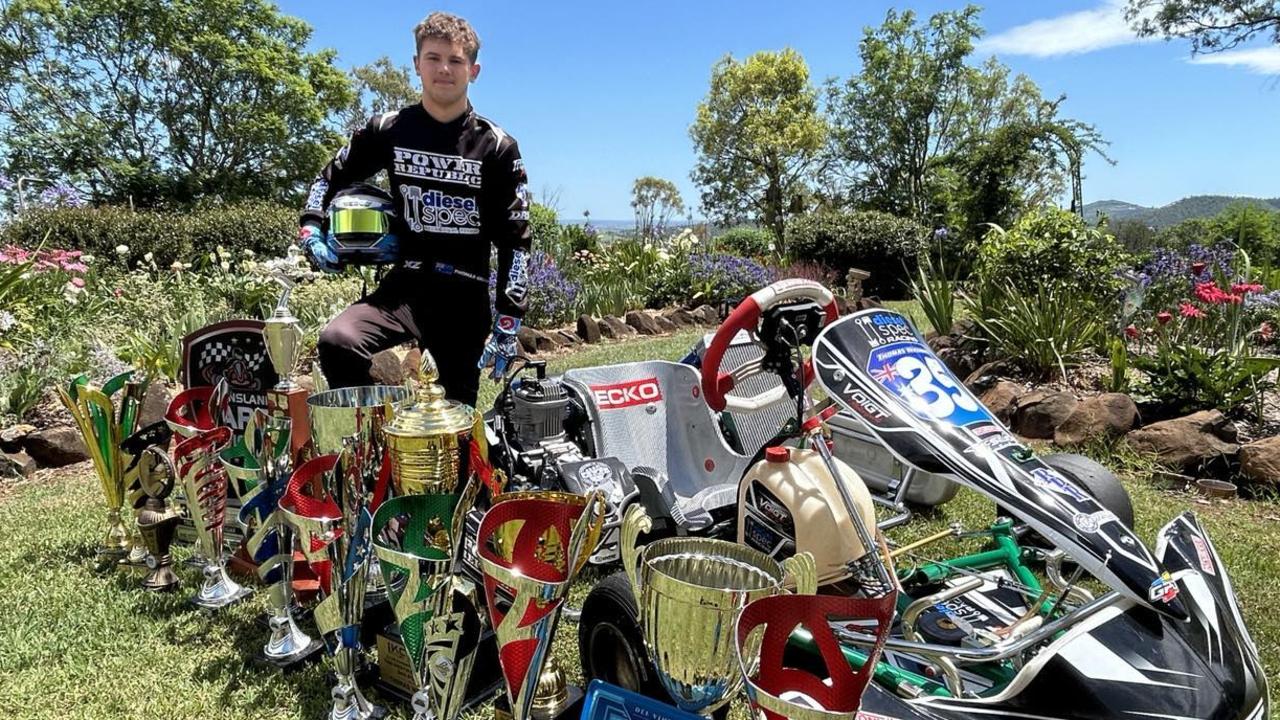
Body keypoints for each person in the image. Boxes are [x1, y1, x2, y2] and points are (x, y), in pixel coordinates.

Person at [298, 11, 531, 407]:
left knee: (453, 423)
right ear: (416, 65)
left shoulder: (497, 146)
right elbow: (328, 178)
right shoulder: (388, 129)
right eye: (433, 58)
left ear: (473, 70)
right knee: (338, 341)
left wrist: (508, 322)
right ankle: (373, 442)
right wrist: (311, 229)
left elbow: (517, 240)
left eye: (456, 61)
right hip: (403, 288)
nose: (444, 69)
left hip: (464, 294)